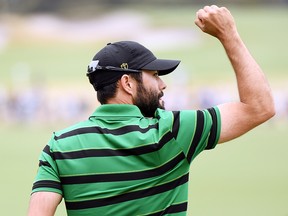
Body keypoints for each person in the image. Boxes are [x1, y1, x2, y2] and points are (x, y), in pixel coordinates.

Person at [28, 5, 275, 216]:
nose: (162, 83)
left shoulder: (59, 145)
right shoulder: (171, 132)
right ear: (127, 83)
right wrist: (228, 33)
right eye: (154, 75)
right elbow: (259, 107)